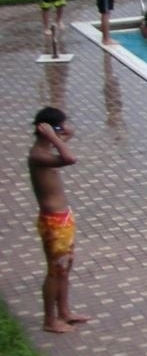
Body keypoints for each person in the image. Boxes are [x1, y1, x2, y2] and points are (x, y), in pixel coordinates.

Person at [28, 107, 87, 334]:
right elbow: (69, 158)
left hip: (62, 219)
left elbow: (69, 134)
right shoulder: (38, 155)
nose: (63, 130)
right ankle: (49, 320)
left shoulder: (46, 149)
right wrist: (54, 136)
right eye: (58, 127)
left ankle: (64, 312)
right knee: (55, 271)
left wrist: (58, 133)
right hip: (53, 222)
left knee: (64, 269)